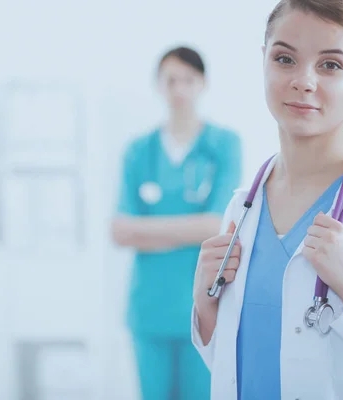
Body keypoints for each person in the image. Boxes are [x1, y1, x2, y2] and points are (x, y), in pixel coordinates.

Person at [191, 1, 343, 399]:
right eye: (285, 58)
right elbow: (241, 369)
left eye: (330, 65)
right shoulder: (243, 208)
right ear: (264, 61)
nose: (303, 81)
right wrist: (206, 310)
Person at [112, 46, 243, 400]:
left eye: (189, 80)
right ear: (158, 85)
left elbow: (217, 225)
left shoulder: (224, 145)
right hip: (150, 310)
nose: (180, 89)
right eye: (171, 80)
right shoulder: (139, 150)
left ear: (203, 84)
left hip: (203, 307)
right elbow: (120, 231)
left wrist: (148, 231)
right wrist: (192, 228)